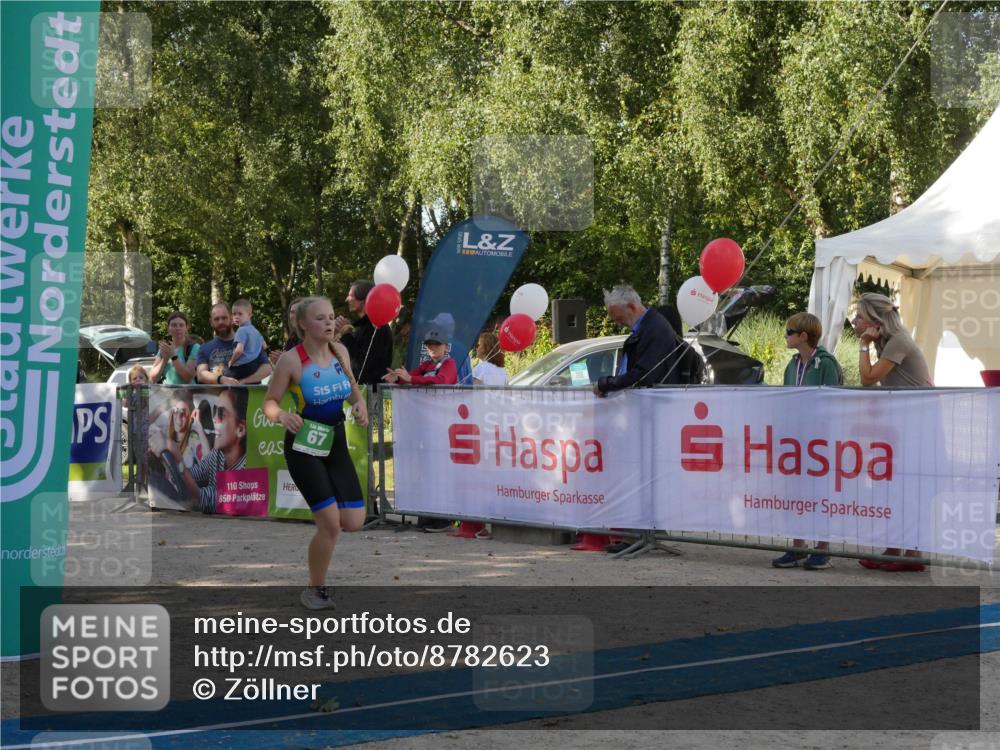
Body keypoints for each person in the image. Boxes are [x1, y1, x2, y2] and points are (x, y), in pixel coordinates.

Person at [263, 296, 370, 610]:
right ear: (303, 325)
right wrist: (282, 415)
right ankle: (315, 589)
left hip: (335, 442)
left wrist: (360, 404)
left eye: (331, 317)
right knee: (330, 524)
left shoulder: (341, 352)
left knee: (354, 521)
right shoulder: (291, 361)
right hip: (303, 447)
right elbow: (270, 402)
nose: (328, 322)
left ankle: (326, 516)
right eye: (320, 318)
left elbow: (351, 388)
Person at [852, 292, 933, 572]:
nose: (854, 321)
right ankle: (898, 550)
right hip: (907, 421)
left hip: (917, 423)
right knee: (897, 486)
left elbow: (867, 378)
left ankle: (909, 553)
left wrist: (864, 345)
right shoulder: (889, 340)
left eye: (859, 316)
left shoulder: (897, 340)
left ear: (875, 319)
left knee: (907, 486)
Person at [770, 312, 843, 571]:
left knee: (820, 494)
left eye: (789, 331)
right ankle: (797, 545)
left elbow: (833, 402)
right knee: (795, 494)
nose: (785, 336)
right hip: (795, 441)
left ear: (803, 336)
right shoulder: (792, 364)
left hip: (820, 442)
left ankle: (822, 548)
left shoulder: (825, 364)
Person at [163, 387, 248, 514]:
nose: (214, 419)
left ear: (240, 430)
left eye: (221, 414)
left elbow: (202, 498)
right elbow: (198, 472)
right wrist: (172, 472)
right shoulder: (218, 454)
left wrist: (177, 459)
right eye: (215, 411)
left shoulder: (246, 468)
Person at [593, 285, 681, 397]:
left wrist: (606, 383)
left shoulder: (654, 329)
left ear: (632, 307)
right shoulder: (647, 328)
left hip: (654, 405)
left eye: (619, 318)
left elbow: (643, 375)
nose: (619, 324)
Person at [336, 281, 394, 388]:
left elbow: (363, 363)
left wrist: (346, 335)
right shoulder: (363, 326)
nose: (347, 299)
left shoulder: (377, 327)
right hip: (361, 390)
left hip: (372, 393)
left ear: (364, 299)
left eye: (350, 296)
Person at [196, 303, 271, 385]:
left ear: (232, 319)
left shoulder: (251, 340)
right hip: (217, 396)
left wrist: (244, 381)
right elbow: (201, 375)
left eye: (224, 318)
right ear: (211, 322)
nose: (221, 322)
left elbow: (266, 368)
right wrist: (221, 380)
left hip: (251, 395)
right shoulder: (204, 348)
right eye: (216, 319)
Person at [383, 327, 458, 386]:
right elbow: (409, 377)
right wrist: (397, 378)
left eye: (437, 344)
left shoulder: (449, 362)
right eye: (429, 344)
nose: (433, 347)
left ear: (447, 347)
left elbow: (442, 381)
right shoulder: (426, 364)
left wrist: (410, 378)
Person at [149, 311, 200, 385]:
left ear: (186, 328)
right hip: (167, 394)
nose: (178, 328)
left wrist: (173, 356)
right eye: (174, 325)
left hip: (187, 394)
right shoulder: (165, 348)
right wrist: (165, 359)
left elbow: (188, 377)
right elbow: (152, 378)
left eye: (181, 325)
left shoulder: (194, 347)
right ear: (168, 328)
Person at [226, 299, 266, 381]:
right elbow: (264, 346)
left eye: (240, 314)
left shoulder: (241, 330)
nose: (236, 317)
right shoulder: (256, 331)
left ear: (249, 315)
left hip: (242, 366)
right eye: (234, 314)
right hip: (255, 366)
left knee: (224, 374)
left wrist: (231, 362)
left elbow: (239, 350)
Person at [127, 365, 151, 486]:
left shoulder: (147, 390)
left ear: (146, 379)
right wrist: (128, 390)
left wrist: (143, 388)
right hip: (135, 431)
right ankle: (140, 483)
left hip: (146, 431)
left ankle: (148, 482)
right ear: (130, 382)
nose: (138, 380)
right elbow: (125, 403)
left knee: (146, 459)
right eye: (134, 378)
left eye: (141, 377)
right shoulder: (131, 393)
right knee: (139, 458)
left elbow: (148, 399)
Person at [270, 297, 304, 366]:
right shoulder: (292, 338)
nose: (294, 315)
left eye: (298, 311)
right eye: (292, 312)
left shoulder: (316, 338)